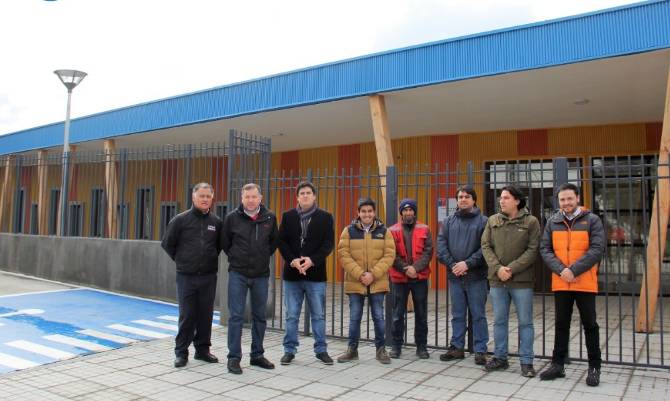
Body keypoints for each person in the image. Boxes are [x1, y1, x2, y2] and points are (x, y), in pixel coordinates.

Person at [539, 183, 605, 386]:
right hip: (561, 282)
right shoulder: (553, 222)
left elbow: (597, 248)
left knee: (590, 325)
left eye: (569, 198)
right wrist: (562, 271)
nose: (566, 203)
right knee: (561, 324)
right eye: (562, 199)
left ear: (577, 198)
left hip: (584, 281)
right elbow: (545, 249)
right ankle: (558, 364)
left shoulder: (592, 220)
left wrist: (573, 270)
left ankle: (594, 367)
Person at [161, 182, 223, 368]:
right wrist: (182, 261)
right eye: (201, 196)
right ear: (194, 197)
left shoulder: (216, 222)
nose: (204, 199)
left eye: (208, 196)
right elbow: (167, 244)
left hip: (208, 276)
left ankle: (202, 350)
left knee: (206, 314)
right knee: (187, 315)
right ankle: (181, 352)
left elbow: (218, 246)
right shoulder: (180, 220)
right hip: (186, 276)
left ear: (212, 199)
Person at [481, 185, 540, 377]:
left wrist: (511, 269)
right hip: (498, 281)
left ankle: (526, 361)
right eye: (501, 198)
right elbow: (485, 246)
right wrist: (498, 269)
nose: (501, 200)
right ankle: (500, 357)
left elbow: (532, 250)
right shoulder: (492, 220)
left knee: (525, 322)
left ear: (517, 200)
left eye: (506, 197)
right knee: (499, 321)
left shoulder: (531, 222)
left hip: (521, 281)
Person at [221, 183, 278, 374]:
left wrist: (260, 257)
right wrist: (237, 257)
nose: (251, 200)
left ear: (260, 198)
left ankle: (257, 355)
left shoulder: (270, 217)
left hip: (261, 275)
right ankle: (234, 358)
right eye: (247, 197)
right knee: (236, 316)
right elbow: (225, 243)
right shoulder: (231, 218)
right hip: (238, 273)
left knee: (259, 317)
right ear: (242, 198)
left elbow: (273, 244)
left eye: (254, 197)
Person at [278, 181, 335, 365]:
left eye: (308, 192)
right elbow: (282, 242)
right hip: (292, 274)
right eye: (301, 193)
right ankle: (289, 350)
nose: (305, 195)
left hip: (316, 275)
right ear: (297, 197)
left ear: (314, 196)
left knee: (318, 315)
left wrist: (311, 260)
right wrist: (293, 260)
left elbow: (328, 244)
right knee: (292, 315)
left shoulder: (326, 217)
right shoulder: (287, 216)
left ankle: (321, 350)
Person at [337, 197, 395, 364]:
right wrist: (361, 274)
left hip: (377, 282)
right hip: (356, 281)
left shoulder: (384, 231)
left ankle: (381, 350)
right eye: (363, 211)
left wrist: (373, 274)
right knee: (355, 317)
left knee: (378, 316)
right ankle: (352, 350)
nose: (367, 214)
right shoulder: (348, 231)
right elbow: (343, 255)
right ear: (358, 213)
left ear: (374, 213)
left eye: (370, 211)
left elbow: (389, 255)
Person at [437, 186, 489, 365]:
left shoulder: (484, 221)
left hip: (476, 277)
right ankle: (456, 347)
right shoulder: (448, 221)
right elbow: (441, 246)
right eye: (460, 197)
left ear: (474, 200)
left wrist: (467, 263)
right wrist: (453, 265)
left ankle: (480, 350)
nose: (463, 199)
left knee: (478, 315)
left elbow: (486, 248)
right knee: (457, 314)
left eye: (467, 196)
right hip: (456, 277)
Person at [388, 198, 433, 359]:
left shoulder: (425, 229)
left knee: (421, 313)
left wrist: (415, 268)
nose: (408, 213)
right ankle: (396, 346)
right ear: (401, 212)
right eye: (405, 210)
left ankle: (421, 346)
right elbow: (391, 254)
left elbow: (428, 252)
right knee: (398, 314)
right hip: (400, 278)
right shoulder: (392, 230)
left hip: (419, 277)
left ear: (415, 212)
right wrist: (406, 268)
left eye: (411, 210)